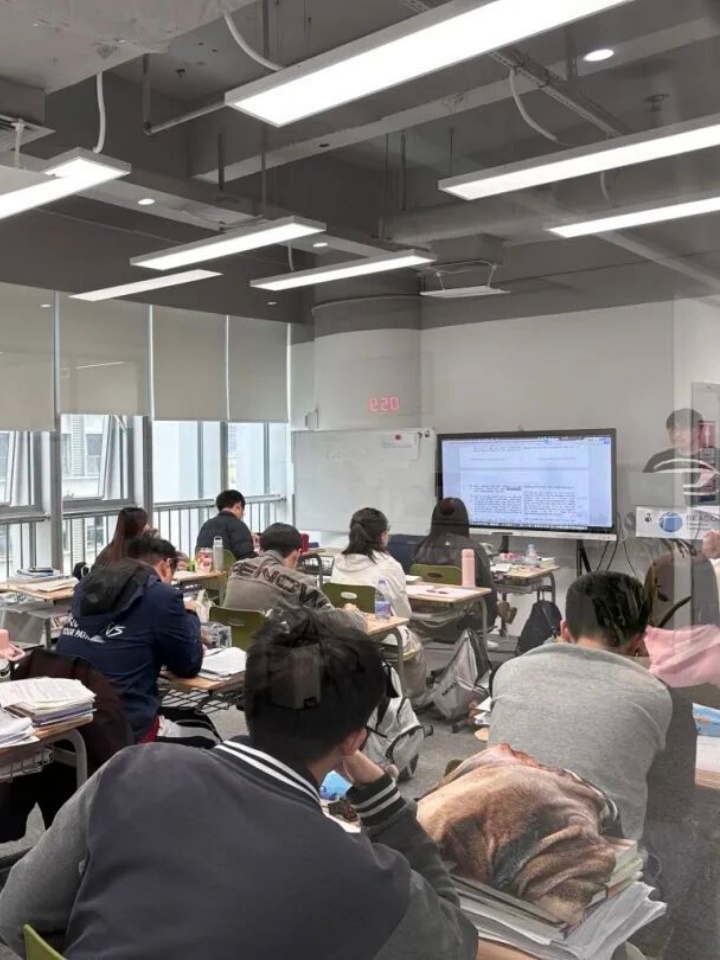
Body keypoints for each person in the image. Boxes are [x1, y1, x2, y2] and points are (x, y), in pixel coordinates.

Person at [0, 611, 478, 960]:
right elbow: (455, 941)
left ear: (245, 700)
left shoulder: (130, 771)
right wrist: (386, 807)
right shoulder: (364, 876)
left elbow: (16, 914)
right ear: (354, 739)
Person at [56, 533, 217, 747]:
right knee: (207, 733)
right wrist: (190, 615)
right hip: (124, 729)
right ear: (166, 565)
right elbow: (188, 665)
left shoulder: (88, 585)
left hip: (71, 724)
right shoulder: (161, 595)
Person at [331, 507, 428, 701]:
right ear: (383, 536)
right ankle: (415, 699)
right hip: (382, 638)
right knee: (415, 641)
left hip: (344, 635)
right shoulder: (389, 565)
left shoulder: (338, 561)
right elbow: (403, 615)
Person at [225, 522, 366, 632]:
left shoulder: (236, 567)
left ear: (261, 550)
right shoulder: (301, 581)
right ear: (296, 555)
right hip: (273, 652)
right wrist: (355, 616)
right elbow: (332, 619)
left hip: (232, 650)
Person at [412, 497, 498, 642]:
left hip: (424, 622)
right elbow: (489, 591)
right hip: (464, 622)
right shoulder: (473, 548)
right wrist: (494, 609)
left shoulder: (421, 547)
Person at [644, 407, 720, 504]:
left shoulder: (717, 458)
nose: (676, 434)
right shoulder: (657, 462)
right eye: (672, 429)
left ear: (698, 431)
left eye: (683, 429)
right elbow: (645, 499)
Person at [195, 489, 255, 561]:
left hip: (204, 566)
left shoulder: (207, 524)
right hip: (230, 567)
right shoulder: (239, 525)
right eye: (243, 511)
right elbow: (246, 556)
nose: (242, 515)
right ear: (238, 507)